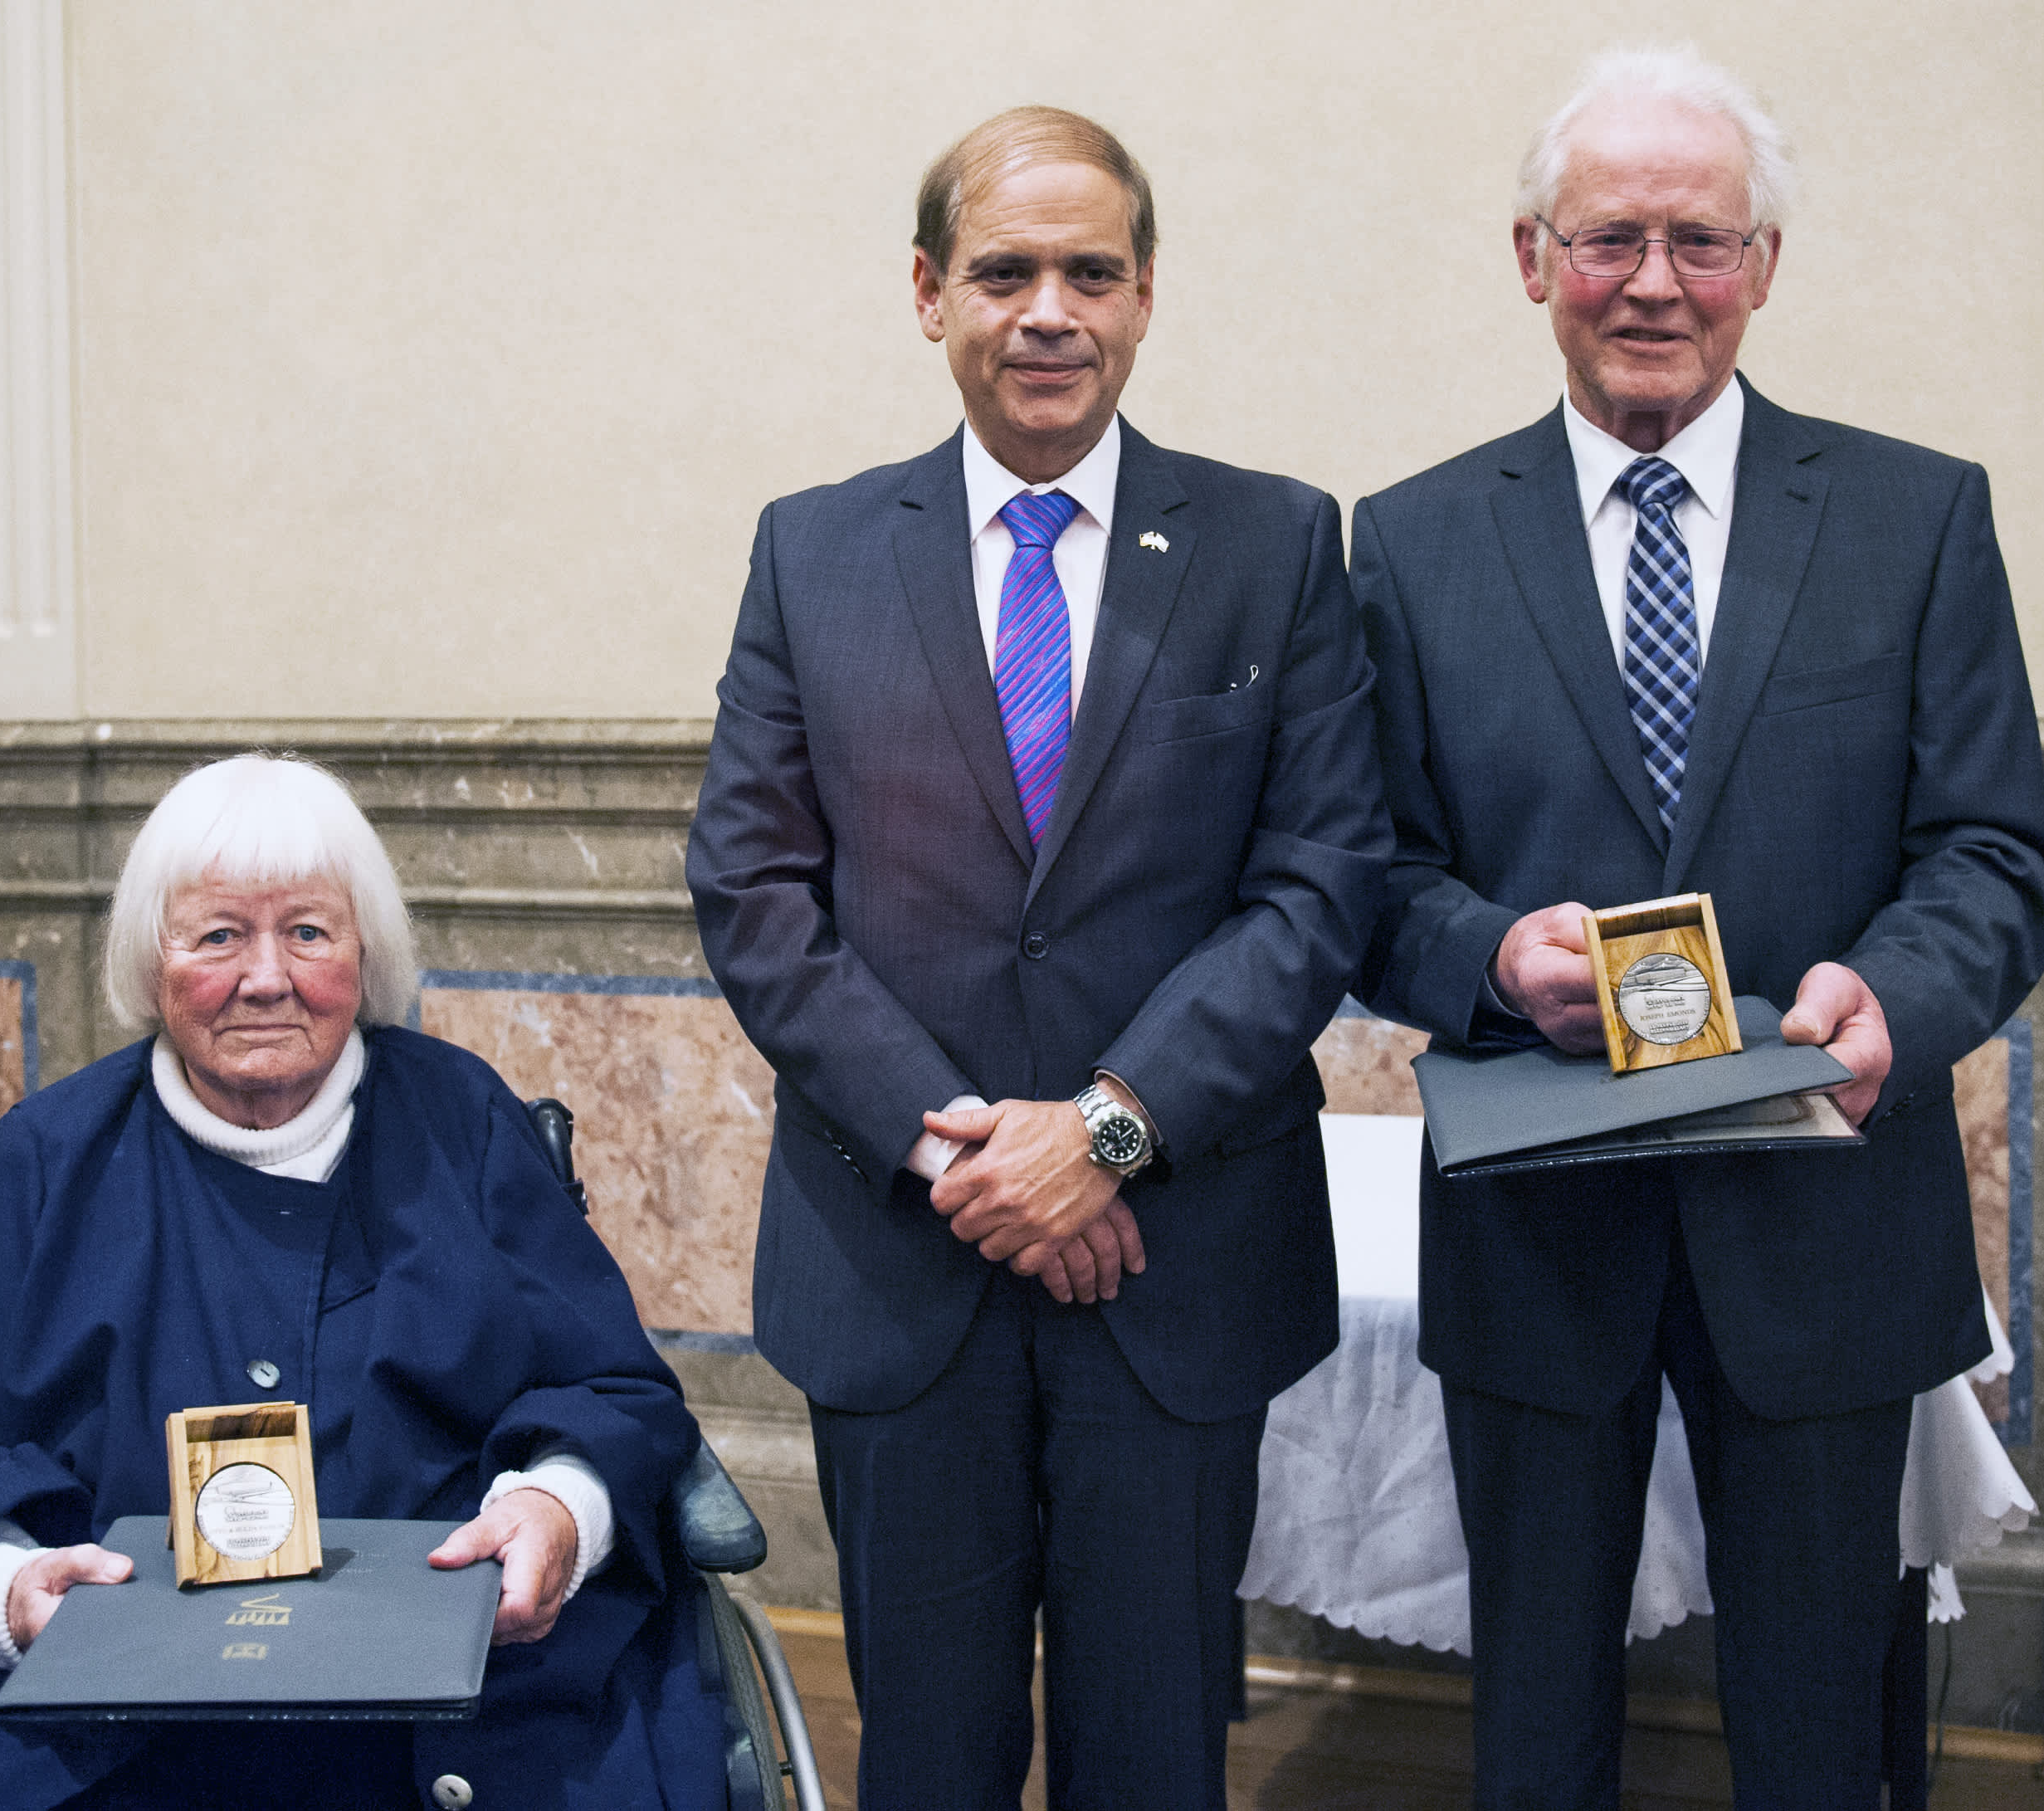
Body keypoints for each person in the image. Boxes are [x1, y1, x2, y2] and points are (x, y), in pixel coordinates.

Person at [1353, 48, 2044, 1810]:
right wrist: (1487, 958)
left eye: (1701, 239)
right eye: (1607, 238)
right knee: (1534, 1728)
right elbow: (1366, 872)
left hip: (1823, 1207)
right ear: (1530, 258)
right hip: (1539, 1224)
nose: (1653, 282)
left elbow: (1990, 849)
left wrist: (1893, 994)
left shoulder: (1915, 519)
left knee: (1826, 1725)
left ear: (1762, 264)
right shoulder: (1413, 540)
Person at [685, 105, 1389, 1811]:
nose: (1047, 310)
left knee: (1153, 1755)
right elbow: (753, 889)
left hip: (1178, 1258)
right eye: (1003, 271)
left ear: (1146, 294)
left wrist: (1106, 1131)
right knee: (922, 1751)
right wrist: (969, 1146)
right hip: (898, 1259)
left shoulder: (1276, 544)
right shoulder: (814, 548)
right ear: (927, 293)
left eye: (1089, 271)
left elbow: (1318, 883)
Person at [0, 755, 723, 1811]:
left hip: (455, 1708)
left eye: (309, 932)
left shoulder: (464, 1123)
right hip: (106, 1729)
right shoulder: (45, 1160)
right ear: (153, 958)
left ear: (365, 953)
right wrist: (7, 1599)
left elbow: (615, 1392)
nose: (266, 976)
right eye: (219, 934)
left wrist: (560, 1506)